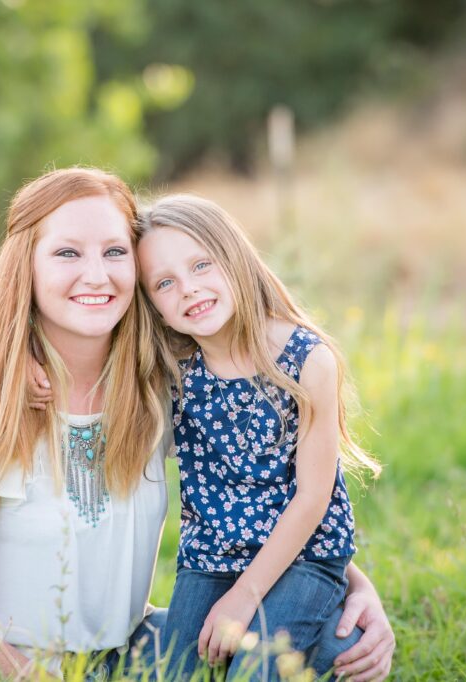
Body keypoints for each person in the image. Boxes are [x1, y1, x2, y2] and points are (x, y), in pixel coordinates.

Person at [0, 167, 394, 680]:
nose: (96, 275)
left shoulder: (159, 389)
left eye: (114, 253)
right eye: (68, 253)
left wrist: (351, 585)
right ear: (26, 269)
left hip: (113, 657)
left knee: (337, 646)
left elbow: (260, 488)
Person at [129, 194, 384, 680]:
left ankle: (320, 631)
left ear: (235, 258)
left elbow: (313, 498)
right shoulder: (173, 368)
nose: (188, 289)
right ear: (153, 306)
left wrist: (245, 596)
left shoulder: (305, 360)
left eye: (201, 264)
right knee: (178, 673)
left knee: (253, 669)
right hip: (211, 556)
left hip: (306, 558)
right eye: (165, 283)